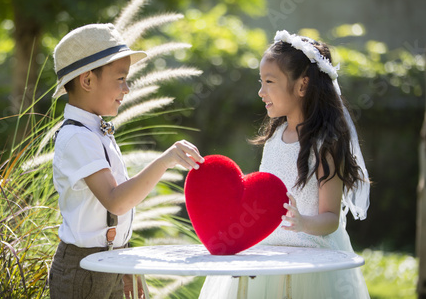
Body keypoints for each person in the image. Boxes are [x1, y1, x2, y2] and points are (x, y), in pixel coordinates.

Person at [199, 30, 370, 299]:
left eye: (269, 82)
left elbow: (330, 219)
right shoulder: (274, 138)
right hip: (266, 253)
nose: (260, 91)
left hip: (310, 260)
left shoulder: (326, 143)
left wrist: (301, 222)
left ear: (302, 86)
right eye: (261, 81)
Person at [48, 23, 204, 299]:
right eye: (120, 79)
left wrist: (125, 261)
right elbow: (116, 201)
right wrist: (165, 160)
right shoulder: (76, 137)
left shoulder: (96, 130)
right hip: (82, 270)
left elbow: (115, 216)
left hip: (109, 261)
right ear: (86, 81)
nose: (128, 88)